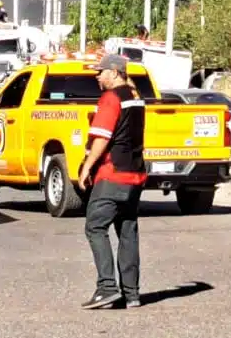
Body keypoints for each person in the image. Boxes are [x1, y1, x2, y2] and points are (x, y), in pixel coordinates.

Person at [75, 53, 147, 310]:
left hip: (112, 174)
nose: (97, 76)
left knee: (95, 227)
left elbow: (102, 138)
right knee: (127, 231)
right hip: (135, 174)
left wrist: (86, 167)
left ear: (114, 72)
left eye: (101, 72)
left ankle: (106, 288)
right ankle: (132, 293)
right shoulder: (136, 98)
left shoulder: (111, 98)